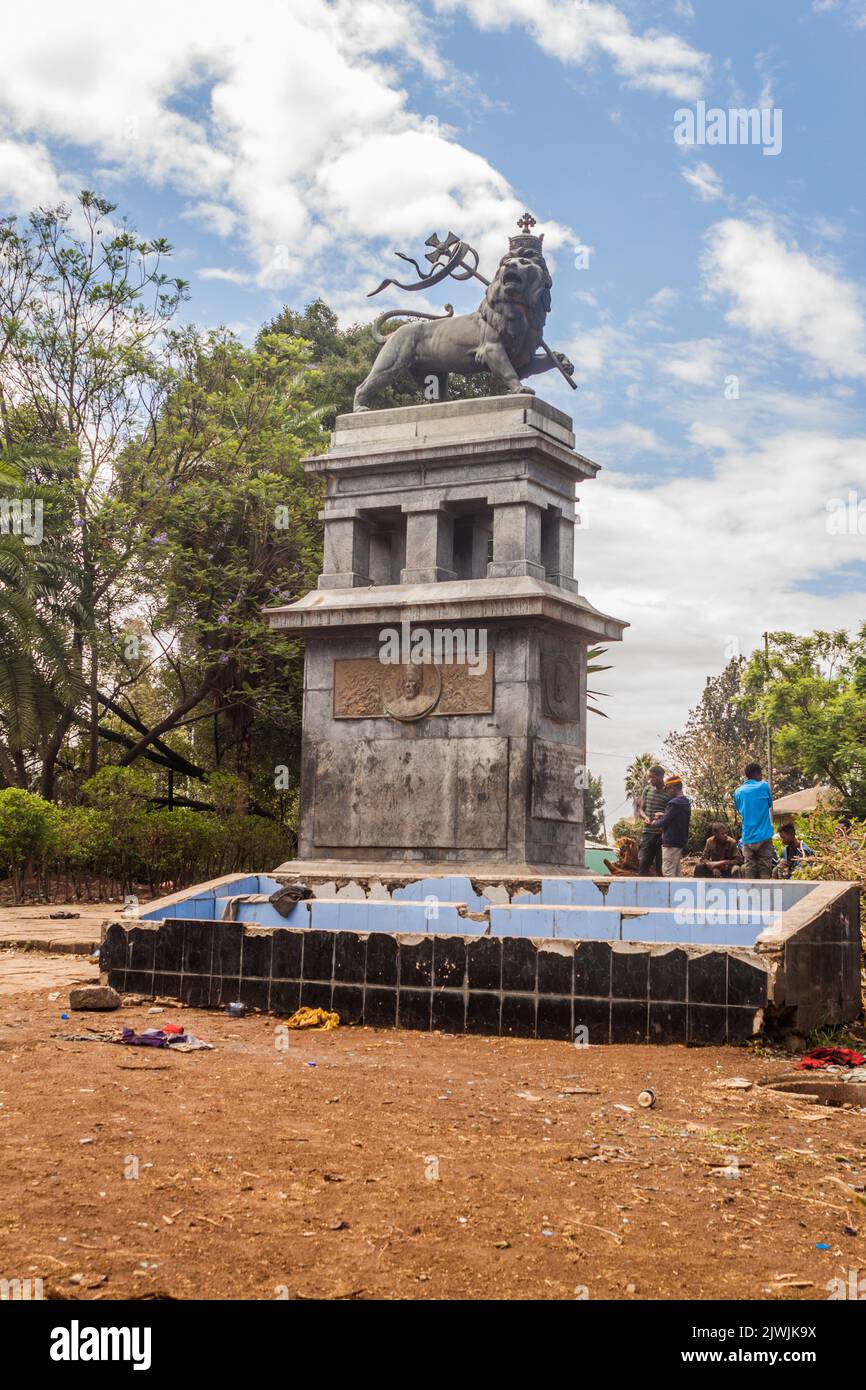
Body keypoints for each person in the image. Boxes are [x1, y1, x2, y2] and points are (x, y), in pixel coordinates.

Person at [732, 761, 774, 879]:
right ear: (758, 774)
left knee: (749, 866)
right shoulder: (764, 786)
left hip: (748, 837)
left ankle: (749, 893)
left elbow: (740, 810)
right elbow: (769, 804)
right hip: (764, 835)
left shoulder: (738, 792)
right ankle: (764, 893)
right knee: (765, 866)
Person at [652, 774, 692, 878]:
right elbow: (674, 818)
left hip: (670, 842)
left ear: (672, 787)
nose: (667, 793)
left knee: (668, 872)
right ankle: (677, 893)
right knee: (676, 873)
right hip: (679, 842)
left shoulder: (674, 803)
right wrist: (664, 815)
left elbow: (664, 822)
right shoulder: (685, 802)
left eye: (667, 789)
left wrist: (653, 823)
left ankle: (671, 894)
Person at [637, 765, 670, 876]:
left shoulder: (668, 792)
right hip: (648, 833)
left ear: (661, 777)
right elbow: (641, 809)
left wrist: (662, 816)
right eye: (649, 777)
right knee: (643, 864)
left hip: (662, 836)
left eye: (653, 777)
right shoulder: (647, 789)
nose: (650, 780)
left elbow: (671, 814)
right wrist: (645, 817)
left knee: (661, 867)